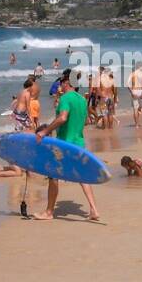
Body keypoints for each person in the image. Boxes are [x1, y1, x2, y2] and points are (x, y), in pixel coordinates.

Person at [35, 72, 101, 222]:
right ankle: (94, 210)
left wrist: (46, 131)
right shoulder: (82, 100)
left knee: (53, 175)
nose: (59, 85)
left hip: (64, 144)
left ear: (66, 82)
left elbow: (63, 117)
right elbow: (85, 122)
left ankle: (49, 212)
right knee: (82, 177)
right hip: (79, 143)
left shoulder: (65, 98)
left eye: (61, 82)